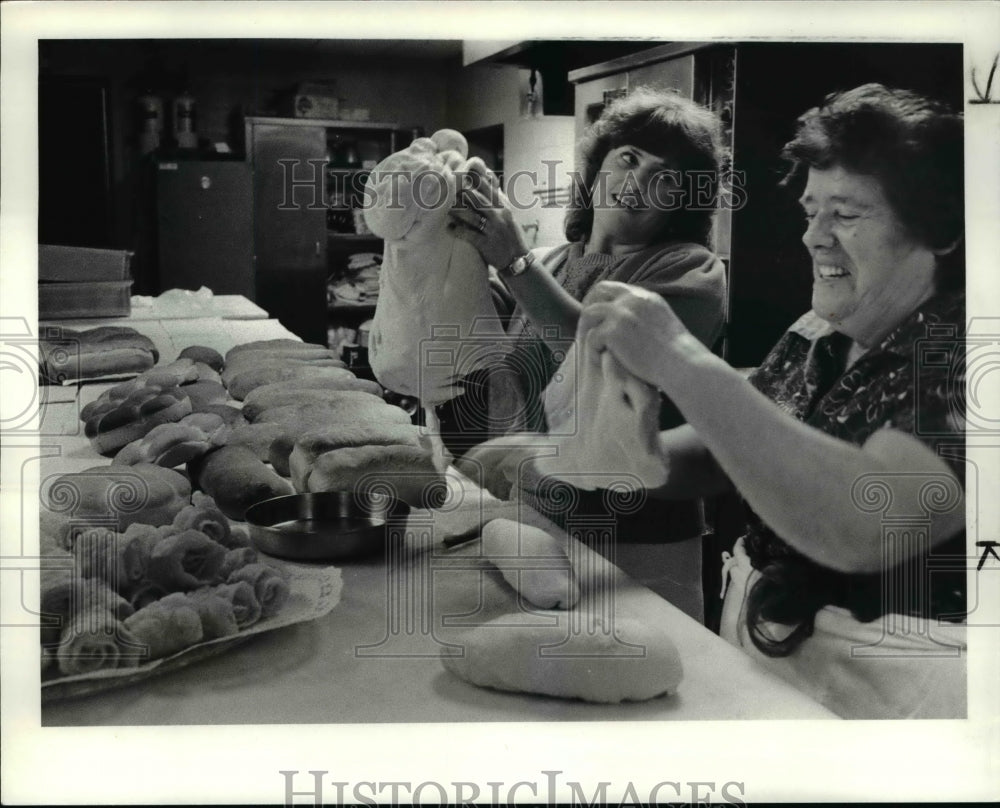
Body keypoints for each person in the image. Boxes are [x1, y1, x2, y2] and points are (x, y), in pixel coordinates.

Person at [541, 83, 967, 719]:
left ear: (940, 231)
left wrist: (682, 360)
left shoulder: (966, 352)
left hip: (897, 681)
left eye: (845, 215)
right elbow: (722, 455)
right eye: (810, 212)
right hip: (764, 647)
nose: (813, 238)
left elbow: (866, 523)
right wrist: (633, 456)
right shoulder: (815, 333)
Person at [443, 88, 729, 558]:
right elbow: (489, 355)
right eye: (629, 158)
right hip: (535, 516)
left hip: (637, 537)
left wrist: (513, 260)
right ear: (598, 167)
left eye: (665, 176)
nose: (637, 180)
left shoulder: (690, 269)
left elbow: (606, 358)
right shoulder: (554, 262)